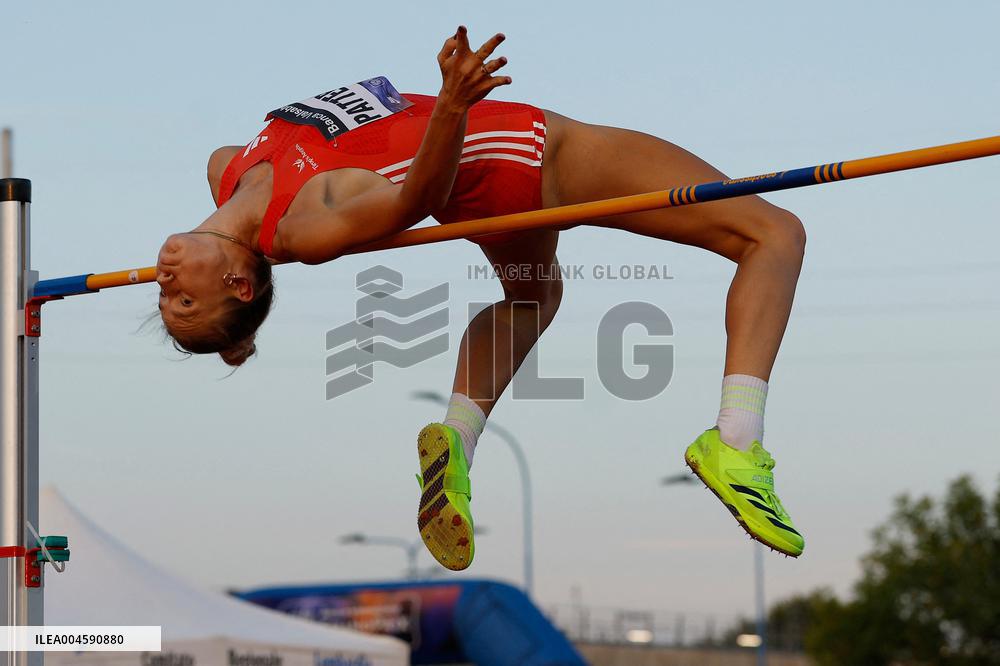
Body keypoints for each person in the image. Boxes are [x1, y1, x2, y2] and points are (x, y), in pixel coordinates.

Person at [156, 26, 807, 568]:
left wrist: (234, 336)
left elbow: (362, 140)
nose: (165, 287)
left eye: (168, 303)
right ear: (240, 284)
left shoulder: (227, 168)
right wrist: (450, 103)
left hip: (497, 192)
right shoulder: (306, 227)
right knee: (773, 234)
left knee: (532, 300)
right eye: (184, 303)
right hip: (531, 156)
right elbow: (417, 201)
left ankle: (458, 441)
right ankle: (737, 441)